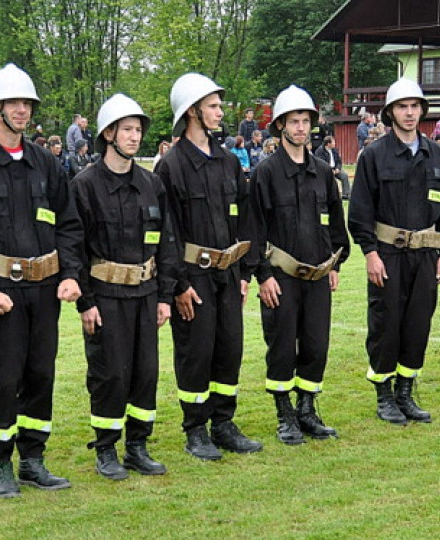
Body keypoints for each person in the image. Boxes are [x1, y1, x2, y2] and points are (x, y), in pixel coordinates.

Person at [0, 63, 83, 497]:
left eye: (27, 103)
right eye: (13, 103)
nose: (22, 110)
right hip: (0, 292)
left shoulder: (45, 162)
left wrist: (70, 274)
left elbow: (68, 222)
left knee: (40, 375)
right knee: (3, 379)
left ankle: (33, 460)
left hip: (44, 290)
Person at [154, 73, 262, 460]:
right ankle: (196, 428)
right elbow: (167, 233)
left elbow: (246, 219)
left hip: (228, 275)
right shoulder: (171, 167)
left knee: (229, 348)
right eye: (213, 106)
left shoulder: (228, 161)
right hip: (192, 277)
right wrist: (178, 285)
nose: (220, 112)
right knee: (195, 352)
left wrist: (245, 273)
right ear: (192, 111)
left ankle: (224, 423)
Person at [71, 94, 176, 479]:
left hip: (146, 294)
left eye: (138, 130)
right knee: (109, 373)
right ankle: (106, 448)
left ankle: (137, 446)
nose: (135, 137)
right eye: (127, 130)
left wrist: (165, 296)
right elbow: (75, 248)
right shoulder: (84, 186)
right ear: (108, 134)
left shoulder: (151, 184)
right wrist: (86, 302)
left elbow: (166, 242)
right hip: (105, 296)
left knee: (145, 372)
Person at [349, 79, 440, 425]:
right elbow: (360, 210)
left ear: (422, 111)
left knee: (417, 323)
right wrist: (370, 253)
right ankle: (384, 394)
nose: (409, 113)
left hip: (425, 254)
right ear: (390, 112)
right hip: (388, 253)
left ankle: (405, 392)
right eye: (402, 107)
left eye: (414, 106)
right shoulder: (374, 155)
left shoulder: (437, 153)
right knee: (386, 322)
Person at [247, 85, 349, 444]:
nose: (301, 127)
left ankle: (306, 409)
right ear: (280, 125)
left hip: (317, 275)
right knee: (281, 346)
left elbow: (335, 222)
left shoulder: (322, 172)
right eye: (294, 121)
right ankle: (285, 414)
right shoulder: (265, 173)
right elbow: (254, 229)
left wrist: (336, 264)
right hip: (281, 277)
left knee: (316, 345)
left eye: (306, 121)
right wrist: (263, 276)